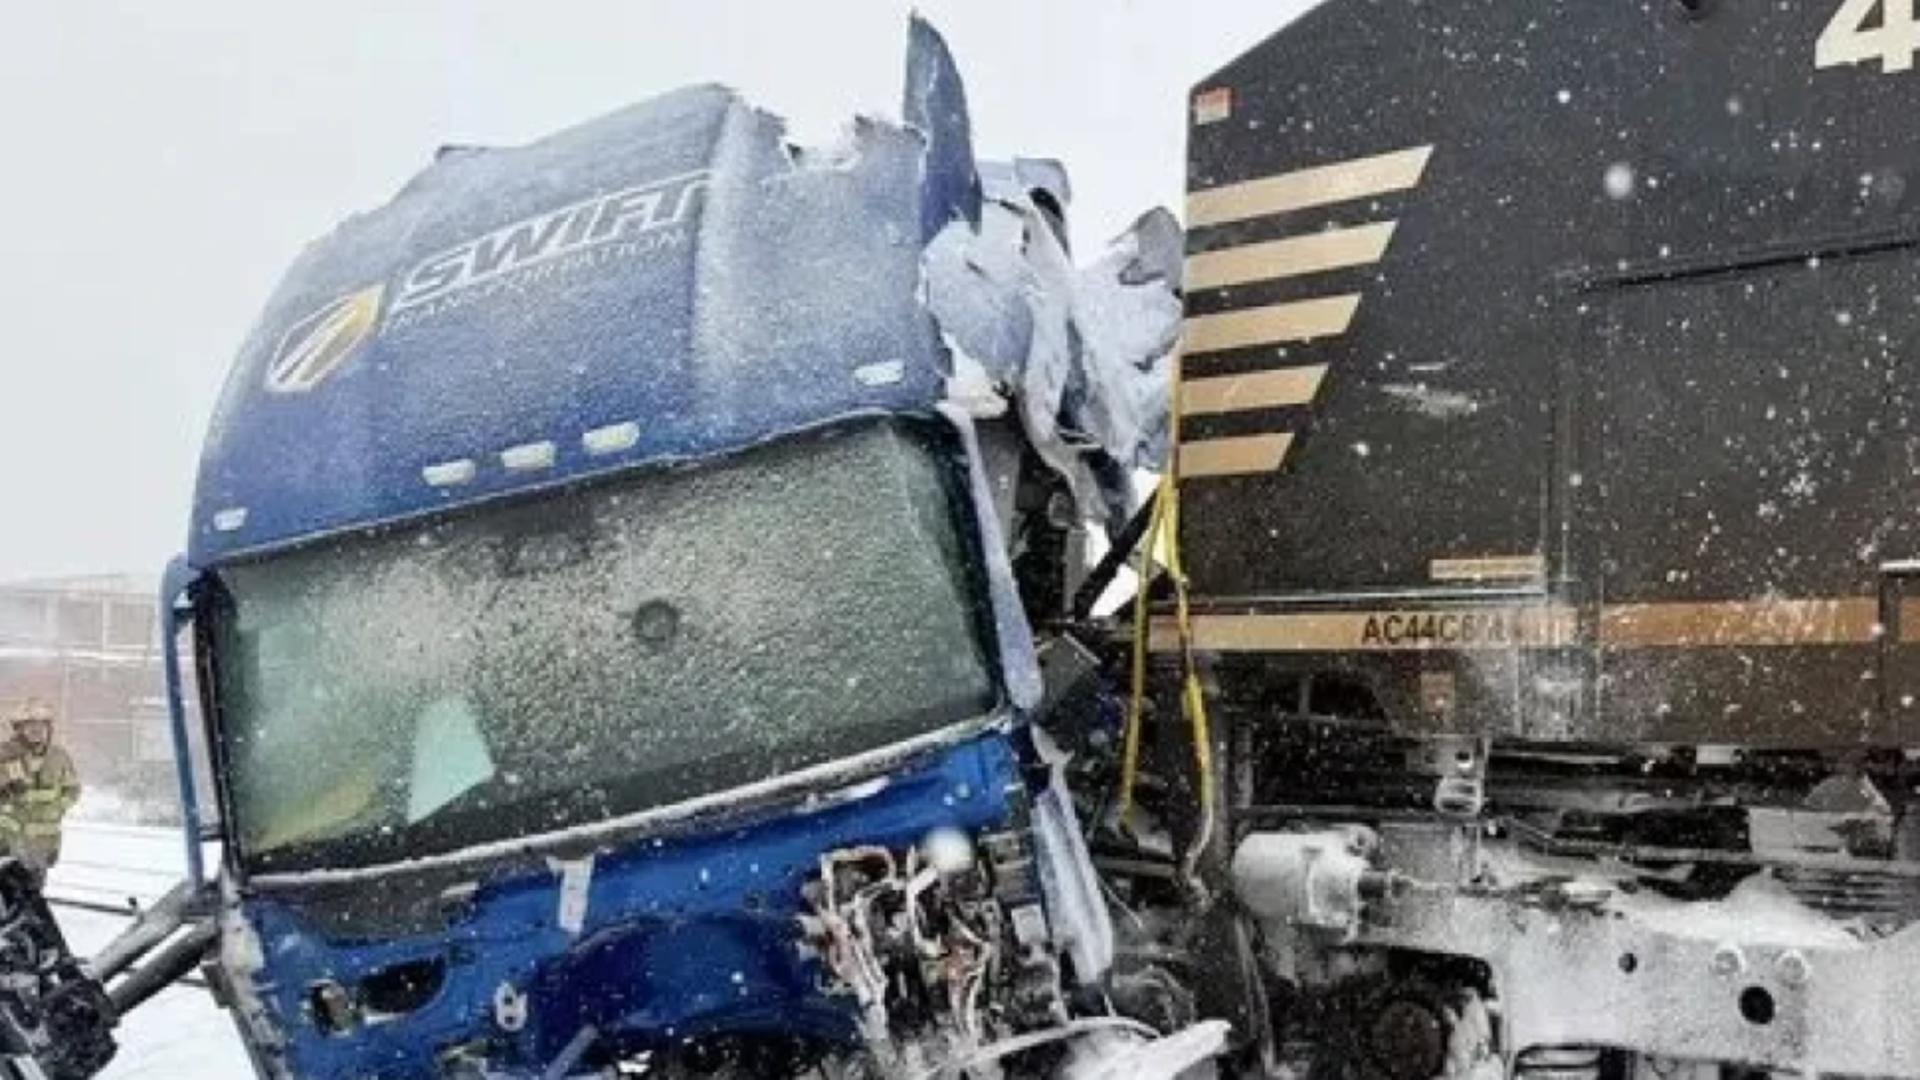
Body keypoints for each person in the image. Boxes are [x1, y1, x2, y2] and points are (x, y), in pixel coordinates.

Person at [0, 699, 81, 884]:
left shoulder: (58, 757)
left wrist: (58, 807)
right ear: (19, 728)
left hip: (41, 844)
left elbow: (73, 789)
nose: (37, 730)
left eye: (41, 725)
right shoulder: (4, 754)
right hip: (6, 843)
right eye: (30, 725)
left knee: (33, 896)